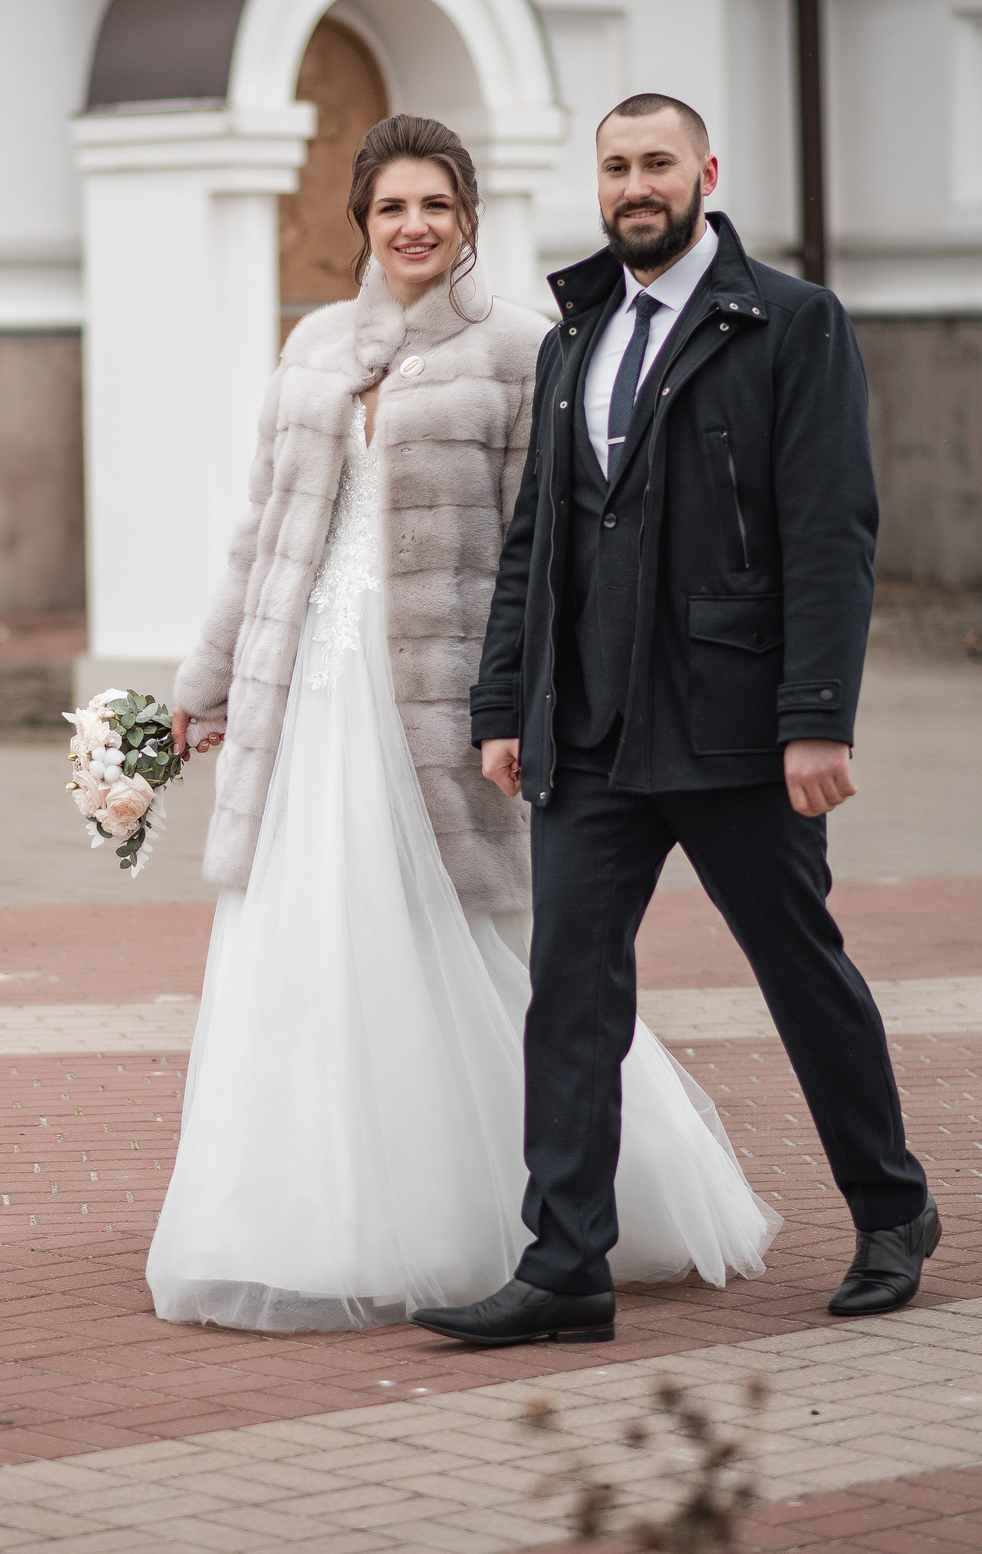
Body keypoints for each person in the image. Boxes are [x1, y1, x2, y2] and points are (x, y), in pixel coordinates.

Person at [149, 114, 780, 1333]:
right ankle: (307, 1217)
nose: (414, 226)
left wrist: (521, 706)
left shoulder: (520, 348)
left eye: (435, 204)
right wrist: (206, 676)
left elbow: (537, 553)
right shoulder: (314, 347)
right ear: (362, 223)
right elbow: (260, 530)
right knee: (306, 954)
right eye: (391, 207)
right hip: (308, 690)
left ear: (469, 216)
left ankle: (561, 1207)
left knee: (469, 947)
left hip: (436, 700)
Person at [412, 94, 936, 1348]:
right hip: (588, 734)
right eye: (614, 167)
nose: (633, 185)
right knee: (569, 994)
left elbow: (830, 532)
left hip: (734, 723)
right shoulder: (572, 331)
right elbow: (534, 543)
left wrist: (815, 719)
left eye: (655, 164)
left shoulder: (791, 321)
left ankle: (890, 1209)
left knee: (799, 971)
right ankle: (565, 1265)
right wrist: (507, 707)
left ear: (705, 172)